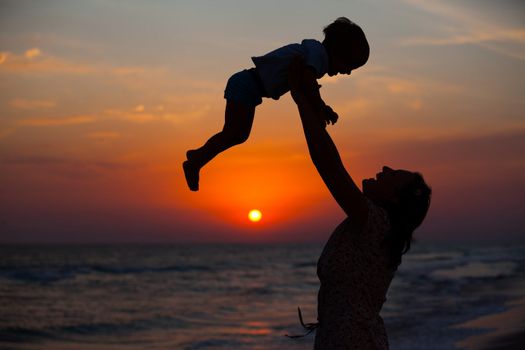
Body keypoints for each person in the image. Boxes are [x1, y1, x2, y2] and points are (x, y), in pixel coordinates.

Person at [287, 56, 432, 349]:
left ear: (394, 198)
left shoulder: (375, 222)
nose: (386, 168)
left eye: (394, 175)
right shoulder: (372, 225)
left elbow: (329, 166)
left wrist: (302, 101)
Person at [183, 17, 370, 191]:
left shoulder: (314, 54)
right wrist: (321, 107)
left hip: (248, 85)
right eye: (349, 66)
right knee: (235, 133)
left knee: (236, 134)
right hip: (246, 84)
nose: (347, 73)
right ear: (339, 53)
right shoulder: (317, 55)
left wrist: (319, 107)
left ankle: (197, 157)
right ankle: (196, 160)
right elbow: (307, 81)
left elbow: (306, 85)